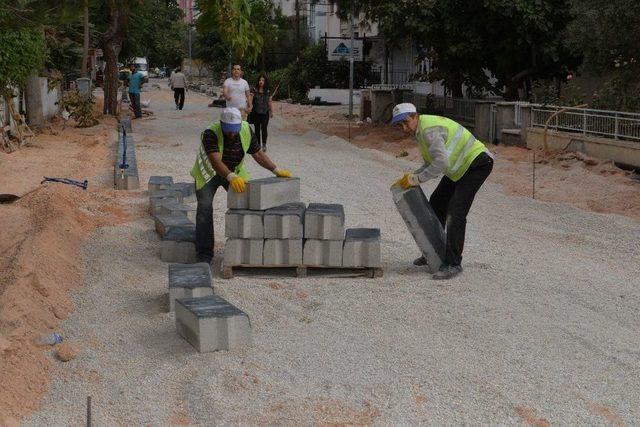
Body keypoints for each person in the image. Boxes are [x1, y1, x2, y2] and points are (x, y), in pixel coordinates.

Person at [391, 103, 494, 280]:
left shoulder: (429, 130)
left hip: (477, 164)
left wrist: (418, 179)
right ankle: (433, 253)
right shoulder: (421, 131)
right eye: (400, 125)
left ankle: (453, 264)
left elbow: (441, 164)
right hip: (459, 168)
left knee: (456, 212)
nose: (404, 128)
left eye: (406, 122)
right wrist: (413, 175)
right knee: (437, 203)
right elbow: (431, 161)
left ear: (415, 116)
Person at [190, 107, 293, 264]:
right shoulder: (211, 132)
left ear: (240, 124)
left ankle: (243, 250)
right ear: (221, 124)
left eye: (234, 130)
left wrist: (275, 169)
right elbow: (215, 162)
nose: (231, 134)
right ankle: (204, 254)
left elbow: (258, 154)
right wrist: (230, 176)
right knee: (204, 209)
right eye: (228, 130)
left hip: (233, 172)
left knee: (245, 204)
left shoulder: (245, 129)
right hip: (208, 174)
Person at [250, 74, 273, 151]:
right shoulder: (254, 89)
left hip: (265, 113)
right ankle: (258, 144)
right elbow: (250, 99)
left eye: (263, 80)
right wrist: (249, 107)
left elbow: (269, 102)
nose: (261, 82)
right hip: (256, 112)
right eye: (260, 80)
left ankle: (264, 144)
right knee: (257, 129)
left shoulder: (268, 91)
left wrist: (271, 111)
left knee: (264, 128)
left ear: (265, 82)